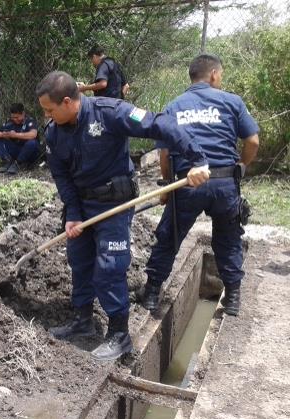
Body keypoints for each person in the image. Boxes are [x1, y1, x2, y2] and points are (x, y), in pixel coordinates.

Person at [36, 71, 210, 361]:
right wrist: (74, 214)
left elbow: (161, 124)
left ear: (67, 102)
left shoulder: (110, 112)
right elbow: (62, 177)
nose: (47, 115)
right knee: (79, 261)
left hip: (114, 204)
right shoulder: (54, 133)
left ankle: (119, 336)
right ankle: (82, 320)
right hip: (82, 205)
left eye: (49, 109)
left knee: (109, 268)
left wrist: (196, 159)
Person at [142, 54, 259, 316]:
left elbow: (164, 155)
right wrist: (240, 167)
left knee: (169, 237)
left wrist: (168, 187)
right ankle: (233, 299)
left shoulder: (174, 106)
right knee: (228, 239)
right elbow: (253, 142)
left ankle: (151, 294)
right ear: (215, 74)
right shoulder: (232, 101)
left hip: (187, 183)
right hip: (224, 184)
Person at [0, 103, 41, 174]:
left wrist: (15, 135)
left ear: (23, 113)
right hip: (16, 150)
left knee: (32, 142)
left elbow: (33, 134)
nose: (15, 119)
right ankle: (8, 162)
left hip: (29, 153)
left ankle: (18, 164)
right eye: (13, 117)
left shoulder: (30, 121)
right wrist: (4, 134)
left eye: (17, 117)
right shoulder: (10, 122)